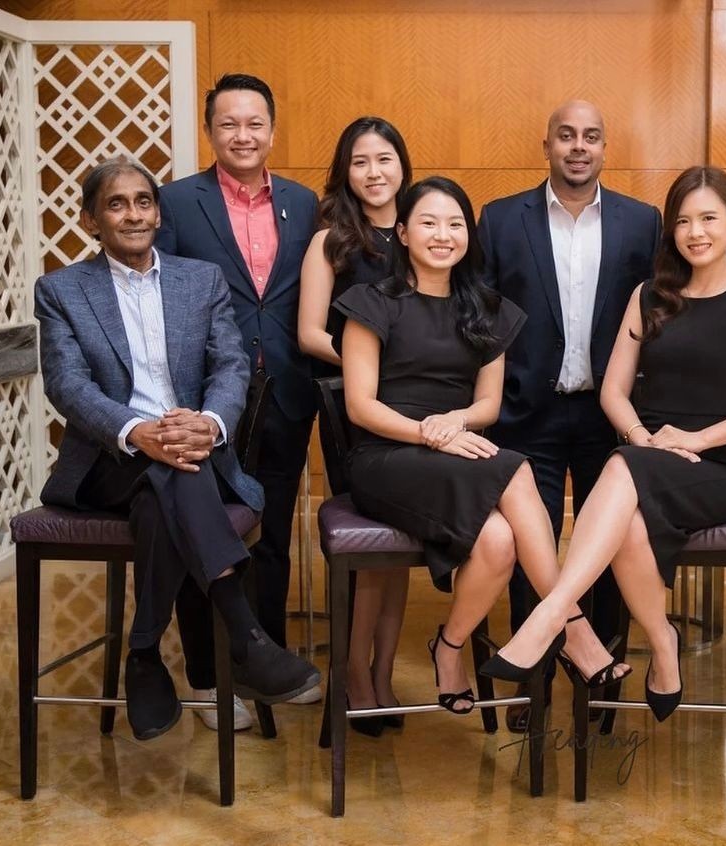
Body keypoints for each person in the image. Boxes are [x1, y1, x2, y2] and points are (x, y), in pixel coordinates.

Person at [481, 166, 726, 724]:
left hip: (719, 465)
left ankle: (555, 616)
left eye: (708, 219)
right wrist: (643, 438)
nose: (694, 231)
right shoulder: (649, 295)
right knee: (625, 491)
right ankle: (661, 641)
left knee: (623, 469)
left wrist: (694, 439)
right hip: (647, 454)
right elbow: (614, 390)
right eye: (682, 221)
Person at [34, 157, 320, 740]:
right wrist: (137, 432)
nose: (134, 214)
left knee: (171, 479)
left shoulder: (200, 280)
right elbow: (67, 384)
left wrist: (211, 423)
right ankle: (245, 638)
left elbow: (231, 364)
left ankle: (143, 654)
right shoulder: (61, 289)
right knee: (172, 471)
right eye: (116, 204)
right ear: (91, 218)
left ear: (158, 213)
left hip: (188, 451)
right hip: (108, 461)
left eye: (143, 201)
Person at [334, 176, 629, 717]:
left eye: (454, 224)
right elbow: (361, 407)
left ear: (469, 234)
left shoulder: (488, 309)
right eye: (427, 222)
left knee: (498, 542)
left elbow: (489, 405)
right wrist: (429, 431)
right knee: (516, 469)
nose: (442, 234)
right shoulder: (370, 303)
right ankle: (575, 630)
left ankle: (448, 648)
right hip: (386, 456)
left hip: (454, 450)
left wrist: (455, 421)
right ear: (402, 232)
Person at [477, 100, 661, 731]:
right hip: (529, 412)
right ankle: (533, 687)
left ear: (605, 148)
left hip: (608, 414)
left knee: (605, 550)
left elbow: (656, 318)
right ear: (547, 144)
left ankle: (600, 684)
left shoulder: (643, 223)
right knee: (536, 552)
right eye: (566, 135)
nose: (578, 146)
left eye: (591, 136)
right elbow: (484, 320)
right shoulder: (500, 221)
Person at [156, 73, 321, 728]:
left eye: (255, 123)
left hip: (284, 390)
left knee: (273, 537)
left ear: (272, 130)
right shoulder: (175, 201)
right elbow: (159, 302)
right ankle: (203, 678)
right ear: (211, 131)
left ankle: (266, 665)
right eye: (229, 123)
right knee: (203, 532)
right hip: (205, 402)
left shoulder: (305, 204)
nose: (243, 135)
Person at [299, 117, 413, 733]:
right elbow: (310, 332)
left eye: (385, 159)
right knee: (371, 551)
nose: (374, 172)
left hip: (422, 410)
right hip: (357, 413)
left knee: (399, 555)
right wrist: (372, 369)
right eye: (361, 161)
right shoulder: (332, 242)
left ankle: (385, 673)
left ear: (402, 164)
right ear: (346, 171)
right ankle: (355, 676)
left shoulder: (424, 228)